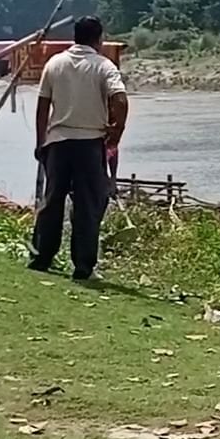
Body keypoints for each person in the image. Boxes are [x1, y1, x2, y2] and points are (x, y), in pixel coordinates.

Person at [28, 16, 129, 280]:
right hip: (89, 144)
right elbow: (120, 99)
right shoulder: (103, 66)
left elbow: (42, 107)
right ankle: (83, 266)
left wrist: (41, 142)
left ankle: (42, 257)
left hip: (58, 142)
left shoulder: (55, 63)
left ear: (75, 36)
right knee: (88, 205)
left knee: (52, 202)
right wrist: (116, 130)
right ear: (99, 39)